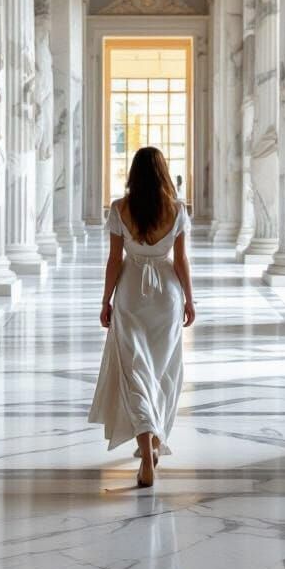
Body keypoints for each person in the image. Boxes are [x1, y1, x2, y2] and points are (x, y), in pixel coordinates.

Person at [88, 146, 195, 487]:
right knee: (163, 370)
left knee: (135, 370)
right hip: (165, 293)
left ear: (134, 174)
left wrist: (106, 300)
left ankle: (146, 449)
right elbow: (180, 262)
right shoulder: (176, 209)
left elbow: (114, 260)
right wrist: (190, 300)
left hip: (132, 290)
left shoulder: (121, 208)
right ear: (163, 172)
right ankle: (156, 439)